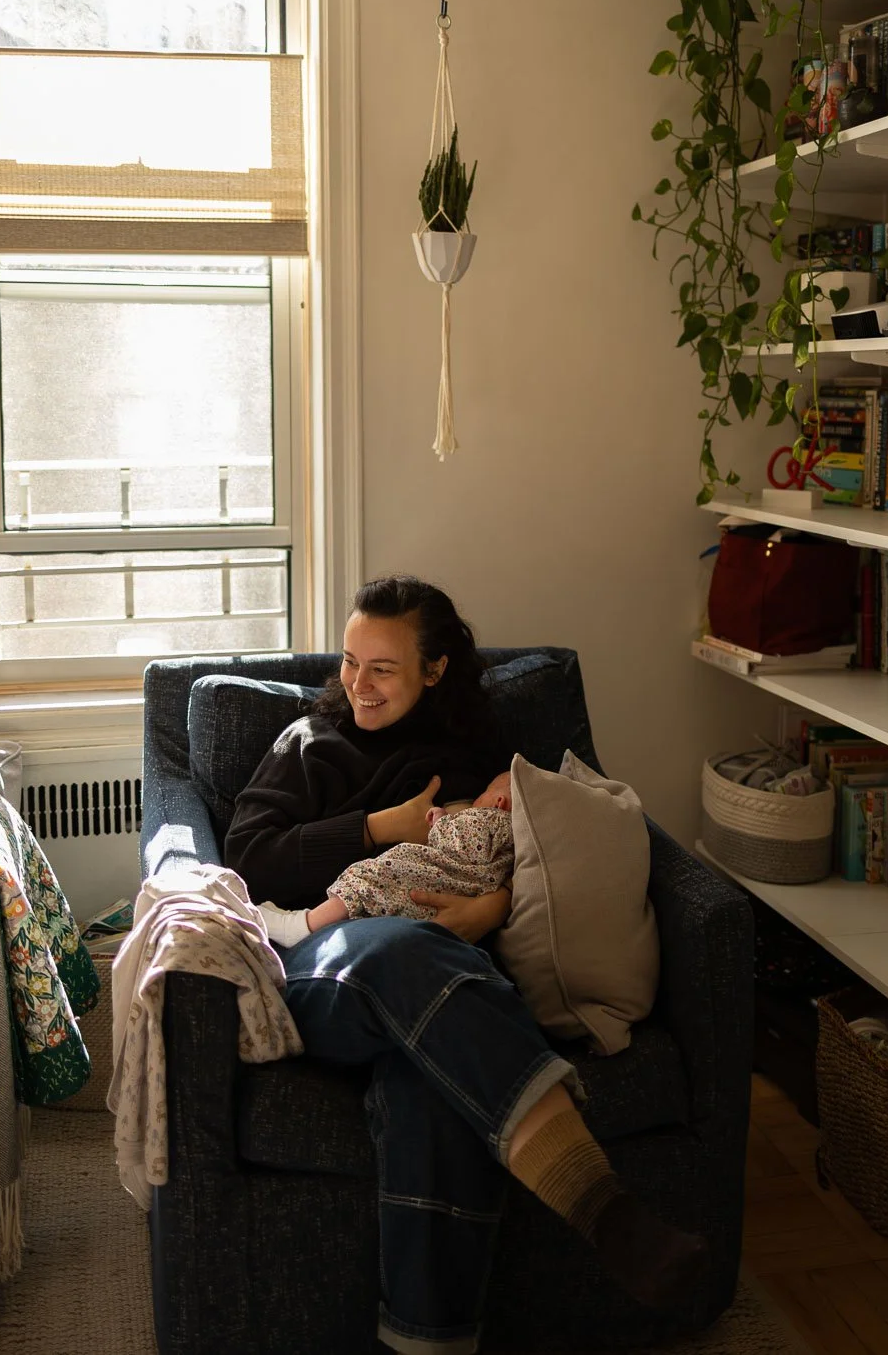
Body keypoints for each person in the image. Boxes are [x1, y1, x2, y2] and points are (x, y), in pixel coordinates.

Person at [225, 575, 707, 1355]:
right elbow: (247, 856)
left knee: (433, 1086)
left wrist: (492, 908)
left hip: (452, 974)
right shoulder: (309, 743)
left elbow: (525, 847)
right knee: (401, 949)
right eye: (350, 662)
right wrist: (386, 826)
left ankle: (426, 1344)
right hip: (323, 961)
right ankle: (595, 1199)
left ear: (436, 669)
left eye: (382, 668)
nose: (356, 684)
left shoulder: (478, 757)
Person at [256, 769, 514, 946]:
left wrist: (494, 908)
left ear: (499, 801)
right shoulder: (512, 838)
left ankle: (304, 926)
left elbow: (460, 842)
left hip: (426, 901)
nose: (360, 686)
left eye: (481, 796)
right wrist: (378, 827)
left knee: (367, 879)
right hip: (428, 920)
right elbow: (251, 860)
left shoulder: (487, 817)